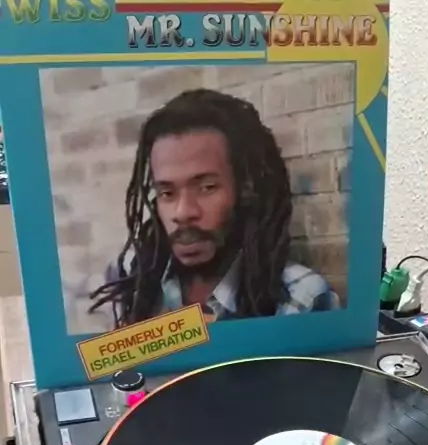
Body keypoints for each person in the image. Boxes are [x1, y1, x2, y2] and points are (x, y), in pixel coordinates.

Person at [89, 89, 339, 327]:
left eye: (206, 188)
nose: (182, 213)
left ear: (246, 189)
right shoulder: (131, 280)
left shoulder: (300, 298)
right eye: (167, 193)